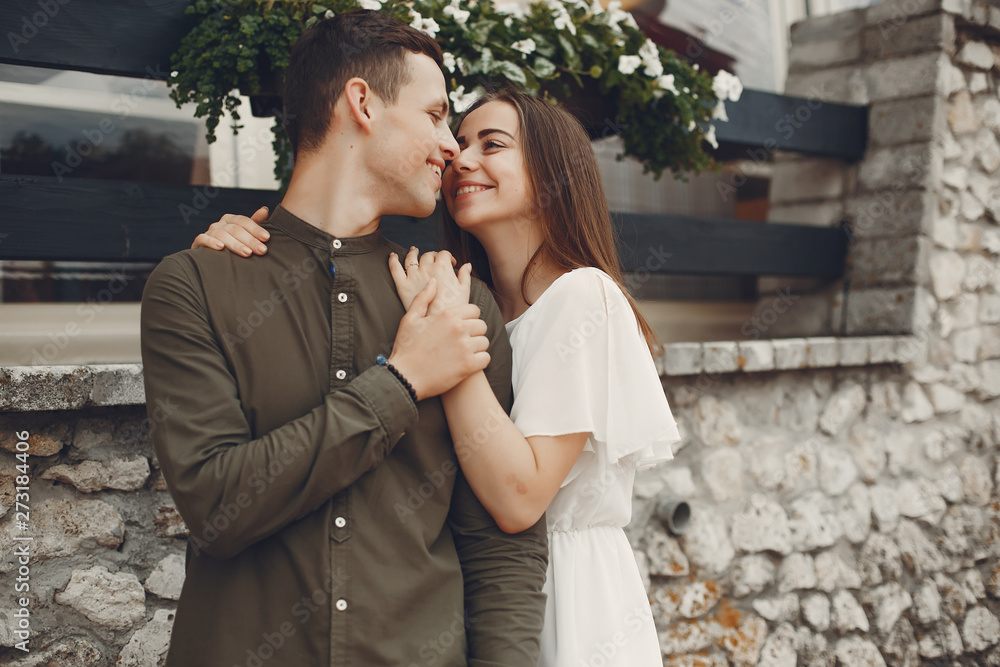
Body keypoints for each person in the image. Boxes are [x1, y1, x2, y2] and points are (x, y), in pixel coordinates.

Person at [197, 89, 680, 667]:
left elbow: (519, 499)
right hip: (479, 600)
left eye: (492, 144)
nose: (461, 158)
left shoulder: (582, 296)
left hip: (569, 600)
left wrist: (448, 344)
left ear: (555, 174)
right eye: (458, 143)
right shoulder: (471, 298)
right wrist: (235, 249)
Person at [140, 12, 548, 667]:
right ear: (361, 102)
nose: (452, 146)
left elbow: (498, 540)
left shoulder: (458, 302)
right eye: (437, 114)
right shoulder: (195, 285)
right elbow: (217, 506)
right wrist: (401, 382)